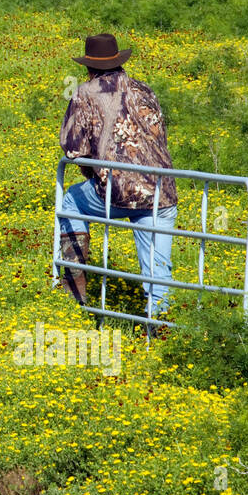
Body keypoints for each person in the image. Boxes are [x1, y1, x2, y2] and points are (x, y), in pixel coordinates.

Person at [56, 33, 178, 317]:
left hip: (118, 190)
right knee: (157, 267)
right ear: (118, 62)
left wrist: (94, 165)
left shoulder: (84, 93)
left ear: (89, 67)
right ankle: (159, 325)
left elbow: (73, 147)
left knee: (72, 201)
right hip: (162, 191)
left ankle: (75, 289)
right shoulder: (145, 90)